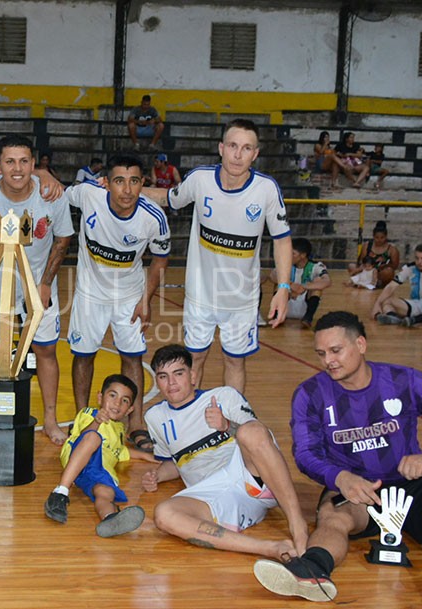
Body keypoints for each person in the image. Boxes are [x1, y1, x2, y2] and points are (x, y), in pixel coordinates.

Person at [253, 311, 422, 605]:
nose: (328, 361)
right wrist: (340, 478)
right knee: (333, 516)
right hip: (356, 488)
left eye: (336, 350)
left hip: (409, 485)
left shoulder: (404, 380)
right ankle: (311, 571)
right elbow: (306, 453)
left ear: (360, 344)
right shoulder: (310, 394)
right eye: (321, 353)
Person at [143, 344, 309, 558]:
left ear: (193, 376)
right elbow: (177, 462)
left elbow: (258, 438)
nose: (171, 382)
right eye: (163, 376)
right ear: (157, 381)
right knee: (164, 515)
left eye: (178, 373)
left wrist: (226, 426)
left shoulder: (224, 396)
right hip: (213, 495)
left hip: (250, 476)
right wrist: (158, 475)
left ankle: (297, 524)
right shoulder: (155, 417)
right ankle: (271, 548)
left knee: (250, 432)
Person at [166, 118, 292, 394]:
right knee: (194, 359)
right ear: (221, 148)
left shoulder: (266, 189)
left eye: (247, 148)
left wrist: (283, 288)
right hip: (201, 296)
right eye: (233, 146)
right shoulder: (199, 180)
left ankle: (234, 423)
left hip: (242, 300)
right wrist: (125, 191)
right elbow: (168, 198)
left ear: (255, 154)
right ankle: (189, 423)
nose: (238, 154)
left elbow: (282, 240)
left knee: (234, 361)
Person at [0, 135, 74, 445]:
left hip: (36, 289)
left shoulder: (51, 195)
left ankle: (50, 420)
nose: (17, 168)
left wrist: (45, 283)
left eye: (24, 161)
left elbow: (63, 238)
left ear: (34, 165)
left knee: (46, 352)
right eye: (10, 161)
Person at [66, 154, 170, 452]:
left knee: (133, 356)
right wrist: (46, 177)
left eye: (134, 181)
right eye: (119, 181)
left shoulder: (153, 217)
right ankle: (82, 416)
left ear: (143, 183)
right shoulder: (89, 194)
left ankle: (135, 423)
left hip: (130, 295)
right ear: (106, 182)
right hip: (90, 292)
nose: (127, 190)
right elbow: (59, 192)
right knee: (83, 355)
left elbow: (161, 258)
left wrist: (146, 300)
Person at [44, 374, 156, 537]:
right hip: (79, 459)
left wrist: (144, 456)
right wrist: (97, 421)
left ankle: (110, 519)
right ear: (100, 397)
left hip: (99, 471)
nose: (117, 403)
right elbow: (83, 435)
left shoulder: (119, 431)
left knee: (105, 493)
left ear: (130, 409)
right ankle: (60, 493)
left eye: (125, 401)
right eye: (112, 395)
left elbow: (118, 452)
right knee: (93, 437)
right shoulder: (89, 413)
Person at [372, 243, 422, 328]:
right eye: (417, 258)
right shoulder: (409, 268)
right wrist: (377, 304)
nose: (419, 262)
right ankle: (395, 318)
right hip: (414, 304)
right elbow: (391, 286)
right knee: (386, 300)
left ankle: (414, 320)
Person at [270, 237, 331, 329]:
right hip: (288, 300)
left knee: (318, 283)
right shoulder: (286, 265)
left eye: (293, 253)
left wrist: (304, 287)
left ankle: (308, 318)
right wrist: (290, 284)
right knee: (279, 283)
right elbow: (272, 275)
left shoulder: (315, 266)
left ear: (303, 255)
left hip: (304, 304)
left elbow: (327, 281)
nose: (289, 256)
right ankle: (277, 315)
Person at [347, 221, 400, 287]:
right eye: (377, 238)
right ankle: (362, 281)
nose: (379, 240)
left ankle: (377, 283)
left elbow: (395, 266)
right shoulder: (367, 245)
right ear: (373, 236)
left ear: (386, 236)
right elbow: (361, 261)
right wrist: (364, 267)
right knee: (351, 266)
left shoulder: (391, 249)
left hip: (380, 274)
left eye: (382, 238)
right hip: (366, 271)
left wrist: (382, 267)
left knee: (389, 272)